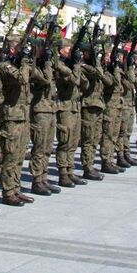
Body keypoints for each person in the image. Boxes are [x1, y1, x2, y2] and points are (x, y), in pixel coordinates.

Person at [0, 36, 36, 206]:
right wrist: (24, 61)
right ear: (13, 49)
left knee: (20, 155)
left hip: (23, 115)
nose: (24, 51)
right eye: (21, 48)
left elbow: (33, 75)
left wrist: (28, 59)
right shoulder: (5, 66)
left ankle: (15, 189)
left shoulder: (19, 65)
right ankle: (8, 192)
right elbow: (22, 78)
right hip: (11, 117)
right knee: (10, 156)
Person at [29, 43, 61, 195]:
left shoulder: (45, 66)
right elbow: (46, 80)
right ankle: (37, 180)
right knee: (39, 147)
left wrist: (51, 59)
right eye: (43, 49)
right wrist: (47, 62)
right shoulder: (33, 67)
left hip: (50, 109)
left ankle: (43, 178)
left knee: (47, 148)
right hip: (40, 111)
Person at [53, 39, 86, 187]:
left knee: (73, 142)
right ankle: (63, 174)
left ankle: (70, 171)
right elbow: (75, 80)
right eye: (68, 49)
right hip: (65, 107)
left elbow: (84, 83)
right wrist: (77, 64)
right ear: (61, 50)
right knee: (65, 142)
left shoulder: (69, 64)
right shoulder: (60, 66)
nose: (70, 52)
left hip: (75, 107)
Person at [79, 46, 108, 180]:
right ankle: (87, 167)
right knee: (88, 138)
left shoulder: (94, 67)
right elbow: (97, 73)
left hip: (98, 105)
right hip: (89, 106)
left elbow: (108, 81)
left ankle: (90, 165)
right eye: (91, 53)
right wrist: (97, 63)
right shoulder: (83, 67)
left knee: (95, 138)